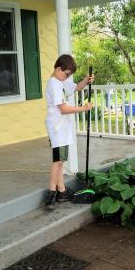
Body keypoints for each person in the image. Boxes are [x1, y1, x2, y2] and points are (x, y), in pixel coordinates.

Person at [45, 54, 94, 210]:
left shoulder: (62, 81)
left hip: (63, 128)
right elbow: (64, 109)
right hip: (57, 128)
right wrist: (83, 108)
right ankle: (51, 194)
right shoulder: (54, 84)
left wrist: (86, 80)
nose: (68, 77)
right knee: (58, 160)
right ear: (59, 69)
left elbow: (77, 87)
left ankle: (62, 191)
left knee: (61, 160)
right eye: (66, 74)